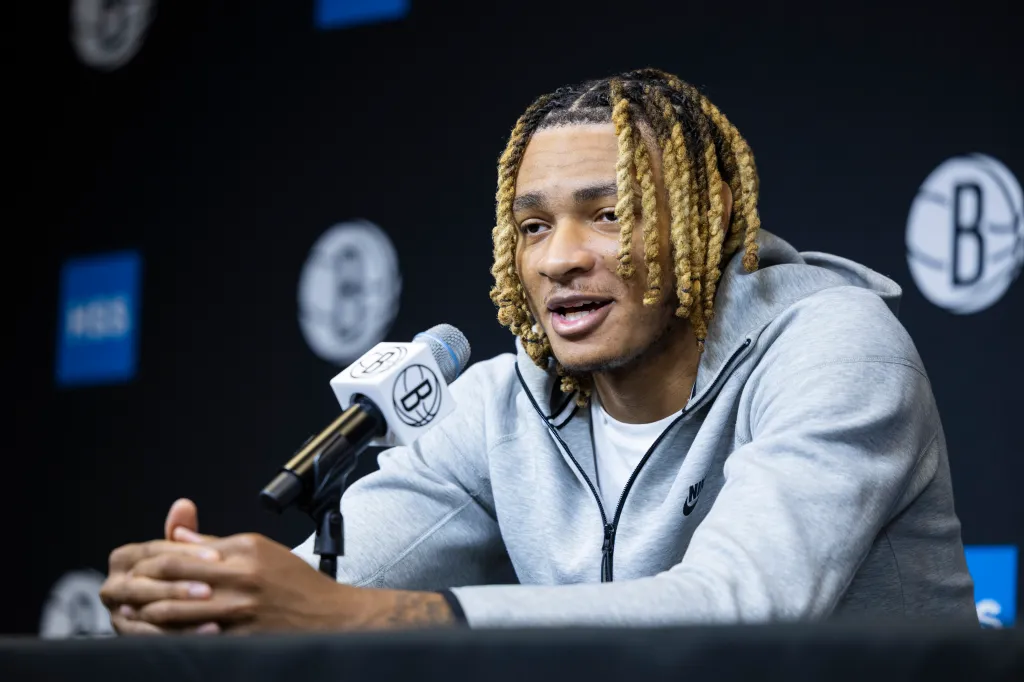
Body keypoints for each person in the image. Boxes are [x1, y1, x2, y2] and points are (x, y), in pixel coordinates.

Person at [99, 68, 978, 634]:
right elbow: (330, 581)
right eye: (532, 226)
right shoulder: (500, 408)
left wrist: (370, 619)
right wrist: (200, 598)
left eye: (609, 214)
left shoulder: (838, 347)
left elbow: (740, 606)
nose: (559, 258)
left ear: (707, 219)